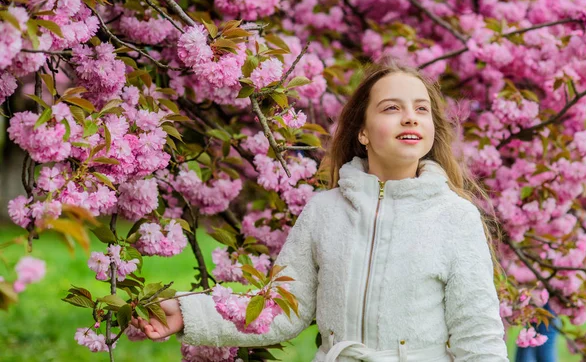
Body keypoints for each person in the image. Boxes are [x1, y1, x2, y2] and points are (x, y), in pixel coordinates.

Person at [131, 57, 509, 361]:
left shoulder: (454, 217)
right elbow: (282, 309)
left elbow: (477, 335)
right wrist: (189, 314)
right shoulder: (324, 211)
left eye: (421, 109)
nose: (410, 116)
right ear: (363, 131)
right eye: (392, 107)